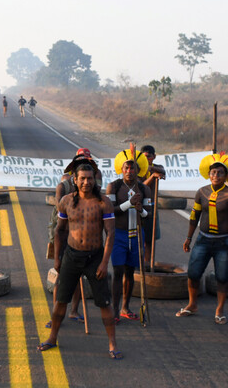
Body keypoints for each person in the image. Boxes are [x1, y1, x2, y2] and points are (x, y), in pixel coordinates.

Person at [38, 162, 121, 359]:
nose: (86, 182)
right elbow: (59, 231)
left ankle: (112, 344)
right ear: (74, 180)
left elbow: (110, 233)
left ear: (95, 180)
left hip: (95, 258)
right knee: (61, 301)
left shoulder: (103, 202)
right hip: (72, 256)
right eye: (82, 178)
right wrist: (57, 258)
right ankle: (52, 338)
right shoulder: (66, 201)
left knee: (104, 303)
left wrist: (104, 263)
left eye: (89, 178)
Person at [177, 153, 228, 325]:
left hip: (224, 243)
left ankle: (220, 310)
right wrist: (188, 238)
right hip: (203, 240)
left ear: (226, 176)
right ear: (208, 174)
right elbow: (194, 216)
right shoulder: (201, 192)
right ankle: (192, 305)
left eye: (220, 173)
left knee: (222, 277)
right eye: (213, 172)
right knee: (193, 274)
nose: (216, 176)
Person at [45, 149, 95, 326]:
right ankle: (55, 315)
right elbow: (62, 212)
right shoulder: (63, 186)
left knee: (79, 276)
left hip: (83, 238)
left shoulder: (92, 184)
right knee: (61, 274)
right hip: (63, 234)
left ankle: (74, 311)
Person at [107, 146, 152, 322]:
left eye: (133, 168)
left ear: (139, 170)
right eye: (126, 168)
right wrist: (128, 203)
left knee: (130, 272)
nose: (129, 171)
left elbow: (149, 216)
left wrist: (141, 211)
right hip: (118, 235)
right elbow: (110, 211)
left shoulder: (144, 189)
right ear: (121, 169)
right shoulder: (114, 187)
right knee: (118, 272)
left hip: (136, 235)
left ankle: (126, 307)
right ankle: (115, 310)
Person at [139, 145, 166, 269]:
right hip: (140, 206)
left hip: (152, 206)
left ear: (154, 157)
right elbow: (141, 186)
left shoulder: (157, 168)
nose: (147, 159)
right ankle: (138, 264)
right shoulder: (138, 170)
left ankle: (147, 264)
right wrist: (152, 176)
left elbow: (163, 171)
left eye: (149, 157)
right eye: (144, 157)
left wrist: (151, 169)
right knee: (139, 238)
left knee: (150, 239)